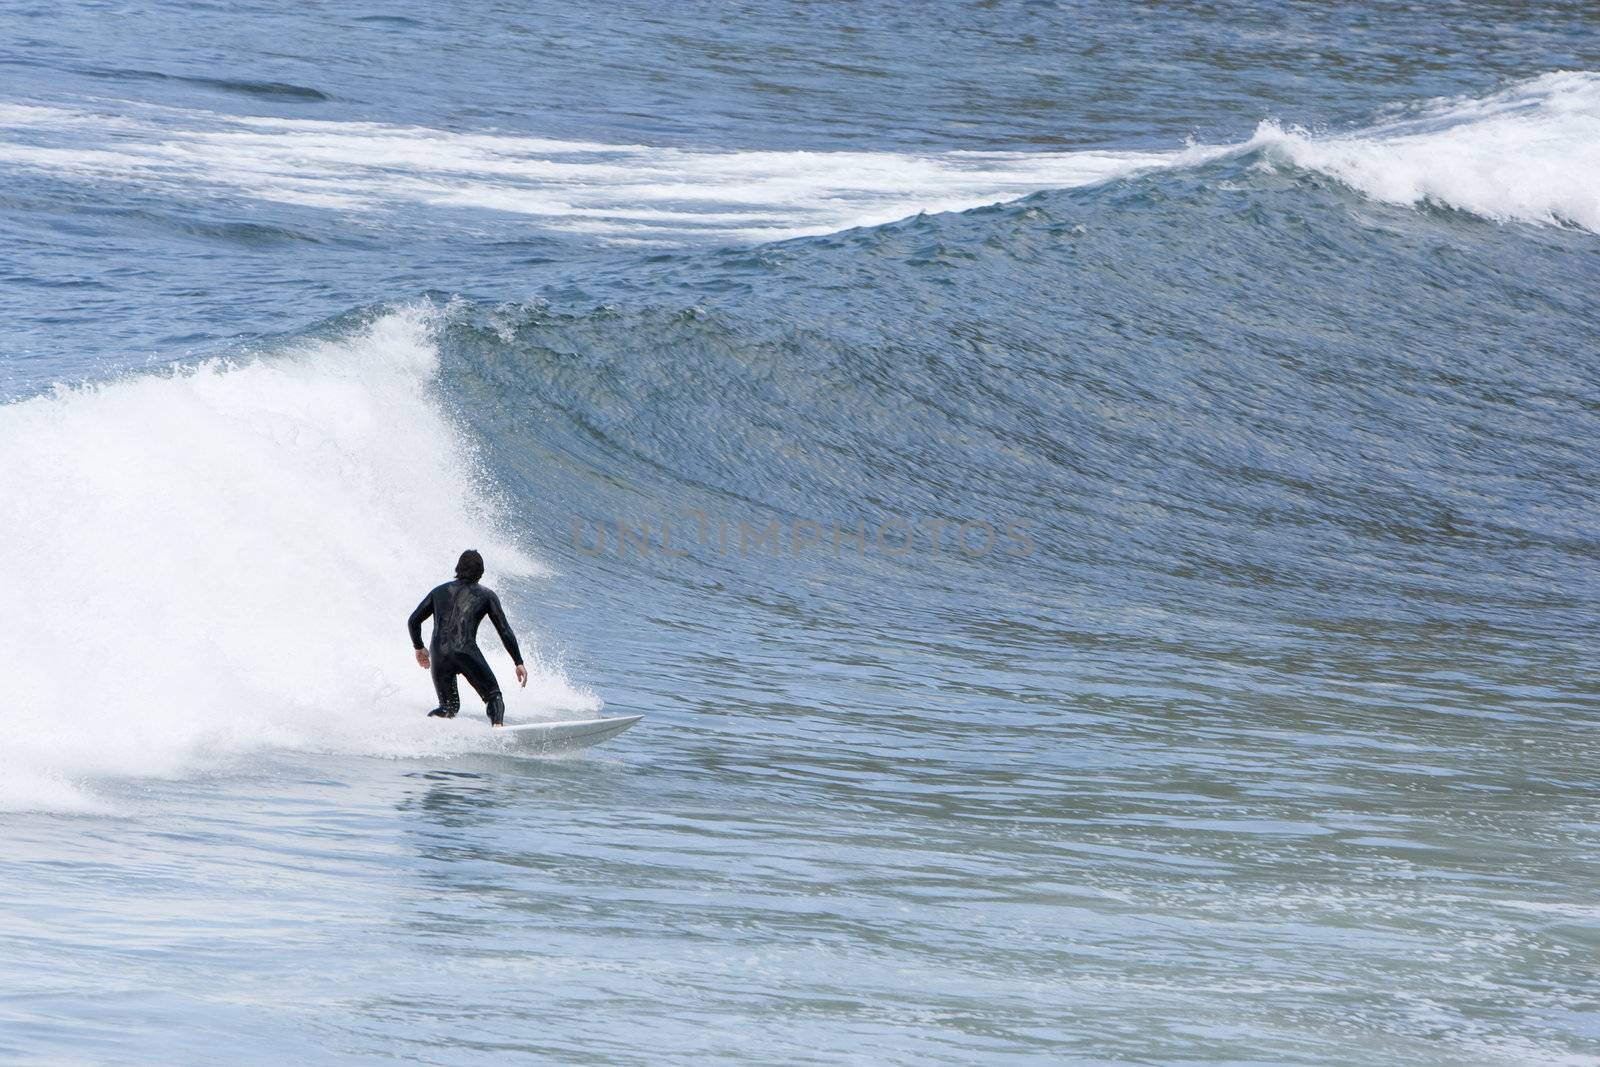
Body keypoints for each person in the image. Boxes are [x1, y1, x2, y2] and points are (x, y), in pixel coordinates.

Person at [408, 549, 528, 726]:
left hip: (439, 653)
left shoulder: (438, 592)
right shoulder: (487, 596)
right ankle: (498, 728)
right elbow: (504, 630)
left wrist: (419, 647)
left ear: (458, 568)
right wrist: (518, 661)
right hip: (465, 651)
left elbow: (413, 621)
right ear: (481, 573)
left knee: (448, 708)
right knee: (494, 696)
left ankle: (423, 728)